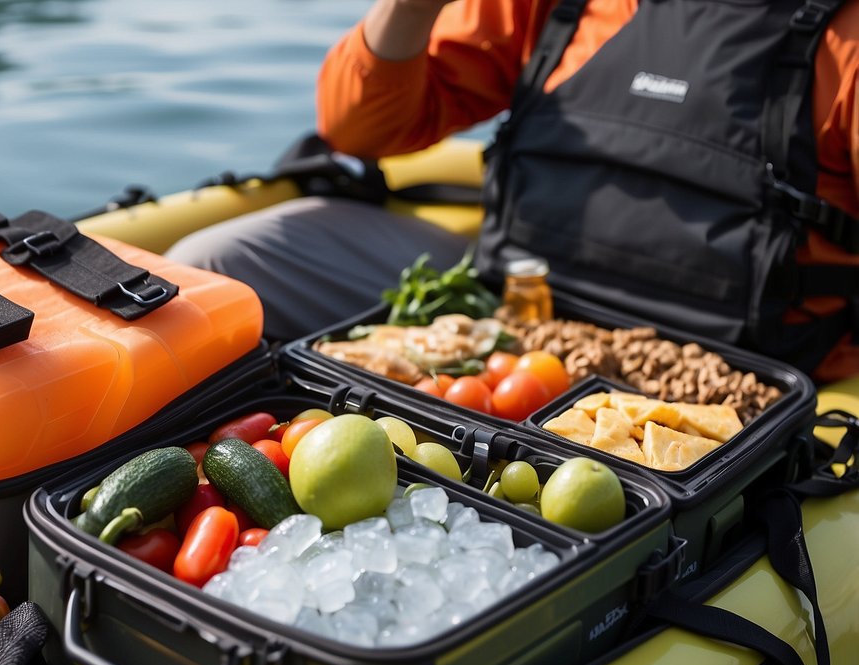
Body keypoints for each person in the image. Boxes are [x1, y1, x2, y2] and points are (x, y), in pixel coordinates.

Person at [166, 0, 859, 380]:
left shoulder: (843, 39)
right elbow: (360, 128)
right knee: (220, 261)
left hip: (744, 365)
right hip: (508, 303)